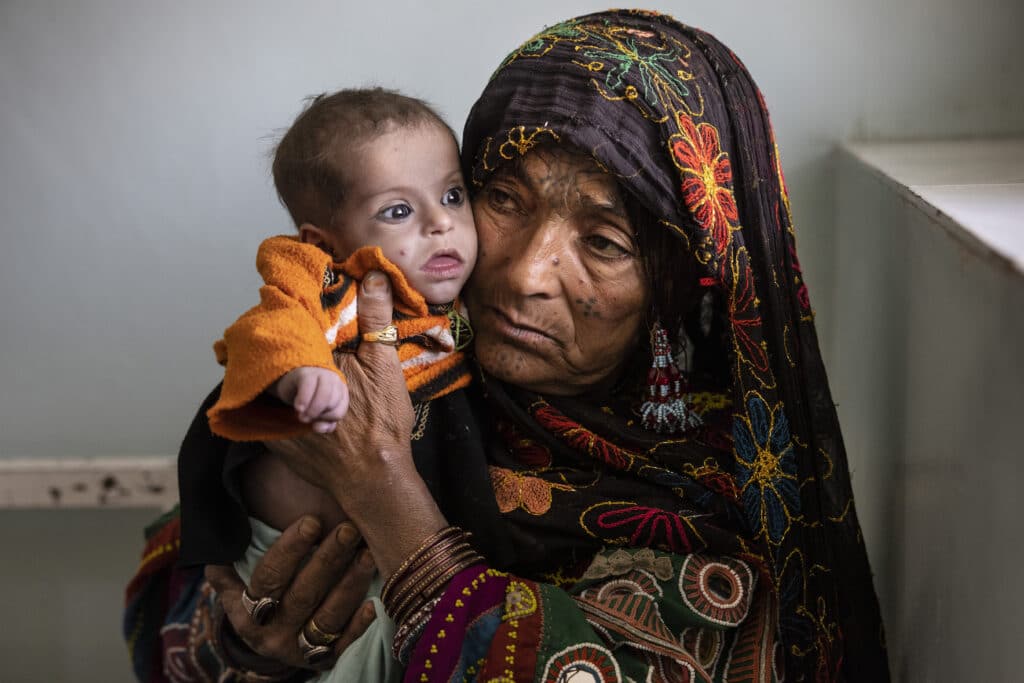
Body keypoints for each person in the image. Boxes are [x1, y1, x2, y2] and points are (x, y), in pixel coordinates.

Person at [124, 9, 890, 682]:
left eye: (604, 240)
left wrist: (382, 485)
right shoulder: (378, 357)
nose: (524, 273)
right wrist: (249, 649)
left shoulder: (725, 502)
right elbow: (185, 582)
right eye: (501, 199)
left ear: (680, 281)